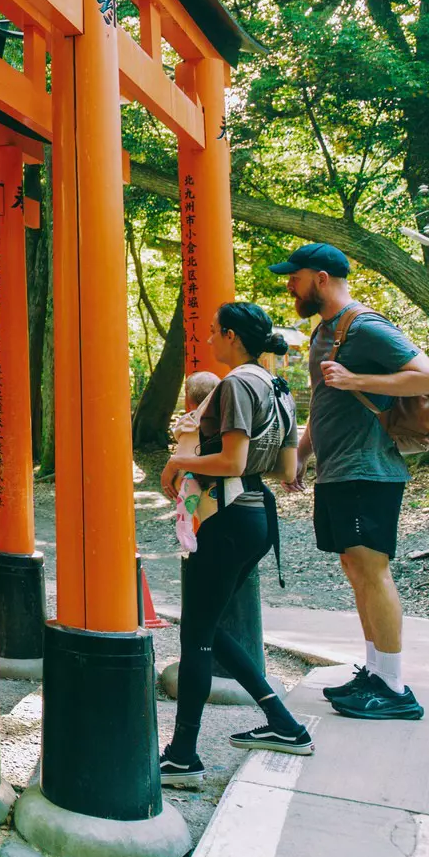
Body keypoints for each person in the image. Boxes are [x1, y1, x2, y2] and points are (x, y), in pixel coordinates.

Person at [272, 242, 429, 721]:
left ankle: (393, 688)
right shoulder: (324, 332)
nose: (290, 283)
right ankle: (375, 672)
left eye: (296, 275)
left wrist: (359, 381)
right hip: (338, 471)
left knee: (372, 570)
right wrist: (304, 456)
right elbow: (325, 406)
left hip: (369, 469)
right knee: (355, 571)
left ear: (322, 278)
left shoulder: (365, 326)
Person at [155, 302, 312, 786]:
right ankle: (284, 724)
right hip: (259, 516)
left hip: (226, 518)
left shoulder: (238, 384)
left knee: (196, 638)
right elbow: (287, 472)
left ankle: (183, 756)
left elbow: (230, 461)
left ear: (230, 336)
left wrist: (178, 466)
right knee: (211, 623)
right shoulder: (278, 386)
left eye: (212, 334)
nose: (207, 342)